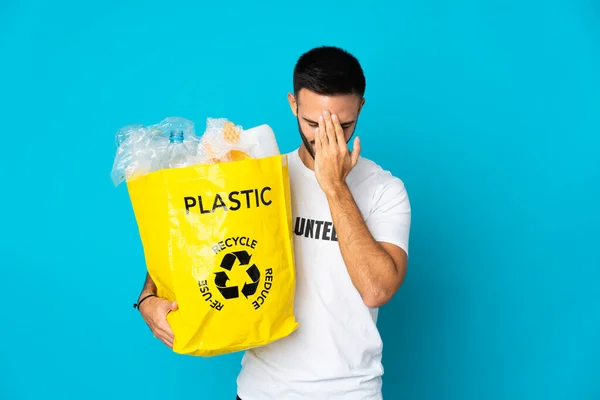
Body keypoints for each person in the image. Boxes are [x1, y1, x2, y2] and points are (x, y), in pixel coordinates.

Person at [135, 45, 411, 400]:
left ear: (361, 107)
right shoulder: (259, 179)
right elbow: (194, 245)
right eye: (313, 123)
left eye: (343, 125)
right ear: (293, 105)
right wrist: (148, 297)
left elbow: (377, 290)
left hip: (350, 392)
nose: (326, 137)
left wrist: (334, 186)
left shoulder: (384, 190)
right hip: (262, 391)